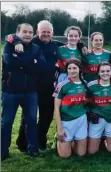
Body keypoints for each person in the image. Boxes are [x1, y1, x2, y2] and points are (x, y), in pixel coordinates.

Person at [5, 20, 86, 152]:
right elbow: (11, 36)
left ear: (52, 33)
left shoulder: (56, 46)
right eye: (43, 32)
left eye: (48, 32)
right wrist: (15, 40)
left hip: (49, 86)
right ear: (37, 32)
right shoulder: (31, 42)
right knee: (28, 117)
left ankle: (40, 142)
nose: (46, 34)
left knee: (46, 116)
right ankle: (22, 143)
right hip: (31, 87)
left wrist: (81, 44)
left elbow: (71, 44)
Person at [1, 23, 45, 160]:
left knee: (31, 121)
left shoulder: (36, 48)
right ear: (17, 33)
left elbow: (41, 66)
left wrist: (21, 61)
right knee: (7, 122)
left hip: (31, 92)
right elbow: (10, 62)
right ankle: (2, 151)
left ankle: (32, 149)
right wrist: (32, 61)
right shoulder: (9, 46)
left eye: (30, 32)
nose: (27, 34)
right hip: (10, 92)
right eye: (24, 31)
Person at [53, 59, 88, 158]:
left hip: (81, 120)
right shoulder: (62, 85)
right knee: (65, 156)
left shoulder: (84, 83)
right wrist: (60, 128)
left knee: (81, 154)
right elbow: (56, 108)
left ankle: (72, 141)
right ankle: (59, 139)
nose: (72, 71)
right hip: (67, 122)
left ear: (80, 69)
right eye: (69, 68)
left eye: (75, 68)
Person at [86, 62, 111, 154]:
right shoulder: (91, 85)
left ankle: (106, 140)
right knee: (91, 152)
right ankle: (99, 139)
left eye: (107, 71)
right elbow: (86, 102)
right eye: (102, 71)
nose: (105, 73)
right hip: (96, 119)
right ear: (98, 72)